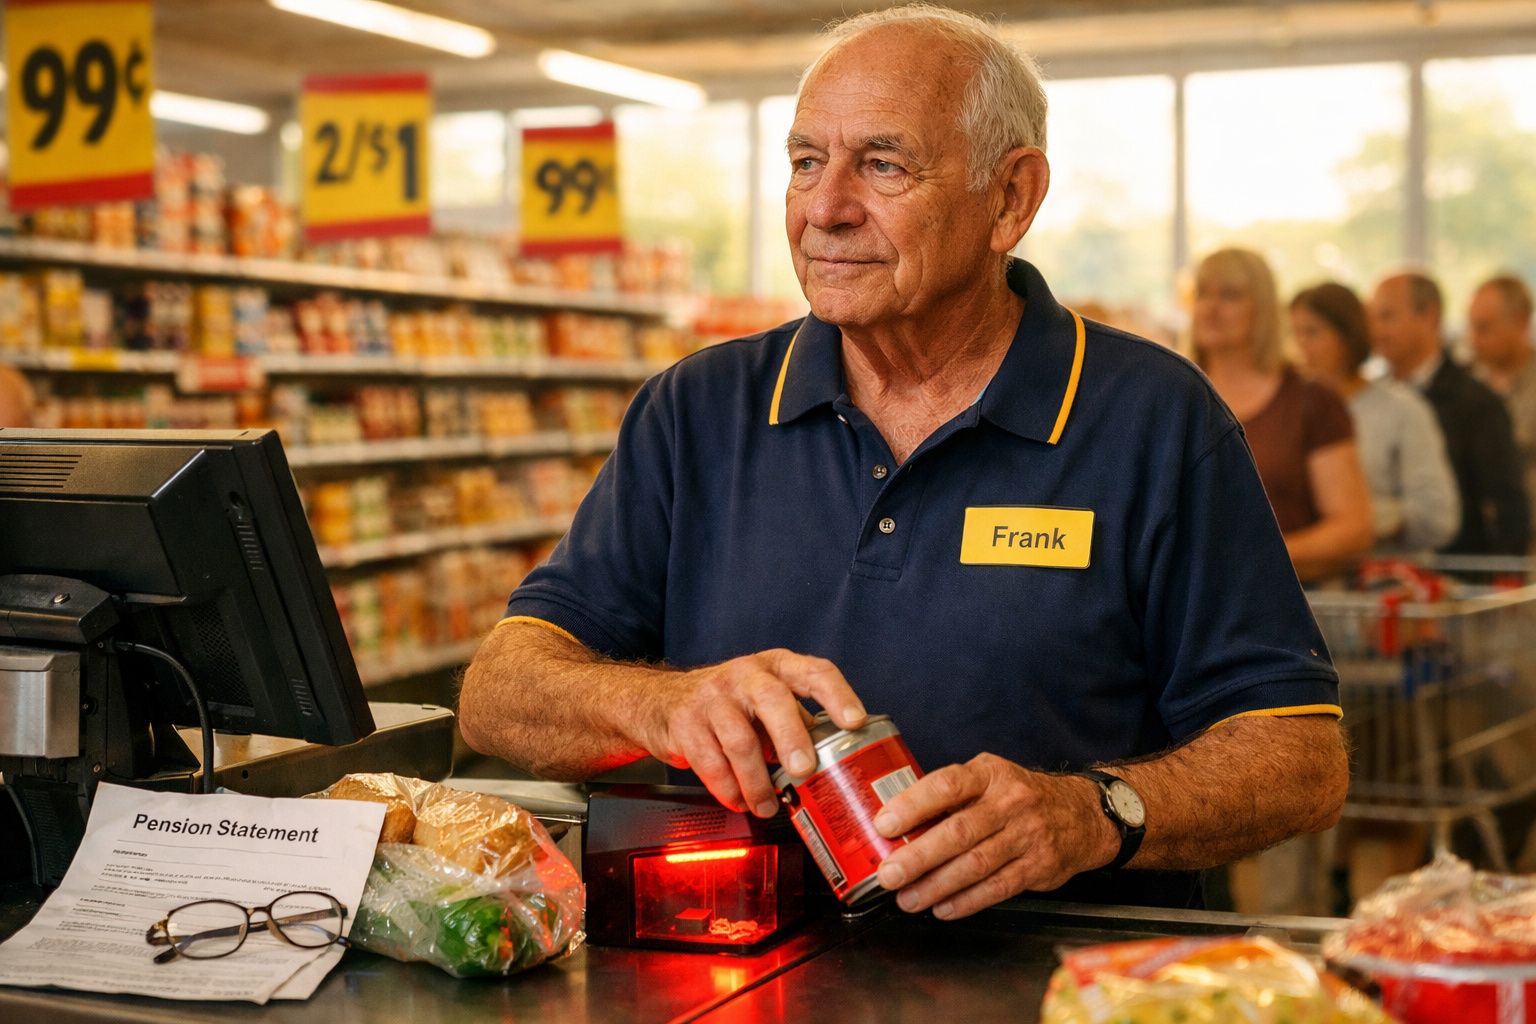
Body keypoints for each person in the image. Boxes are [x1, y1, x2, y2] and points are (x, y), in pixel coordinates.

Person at [459, 5, 1348, 916]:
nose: (826, 209)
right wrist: (658, 705)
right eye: (807, 162)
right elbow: (500, 691)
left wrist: (1094, 811)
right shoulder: (697, 410)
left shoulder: (1154, 419)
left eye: (883, 165)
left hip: (1060, 984)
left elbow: (1299, 755)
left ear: (1011, 199)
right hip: (733, 972)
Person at [1189, 249, 1373, 581]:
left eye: (1229, 295)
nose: (1211, 307)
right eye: (1202, 293)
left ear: (1263, 309)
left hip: (1285, 601)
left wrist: (1251, 558)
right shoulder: (1171, 396)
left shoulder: (1311, 400)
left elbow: (1352, 527)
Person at [1291, 282, 1459, 553]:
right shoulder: (1287, 411)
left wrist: (1355, 517)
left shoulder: (1402, 409)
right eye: (1293, 333)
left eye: (1312, 332)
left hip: (1379, 580)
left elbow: (1438, 516)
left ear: (1348, 335)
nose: (1300, 345)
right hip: (1304, 574)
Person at [1369, 272, 1530, 556]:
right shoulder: (1371, 399)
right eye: (1371, 318)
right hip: (1380, 575)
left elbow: (1508, 508)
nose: (1376, 330)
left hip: (1457, 577)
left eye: (1387, 317)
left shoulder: (1477, 402)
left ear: (1428, 316)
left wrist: (1496, 587)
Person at [1468, 274, 1536, 533]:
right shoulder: (1463, 384)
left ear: (1521, 322)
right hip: (1475, 540)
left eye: (1484, 328)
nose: (1474, 339)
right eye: (1471, 327)